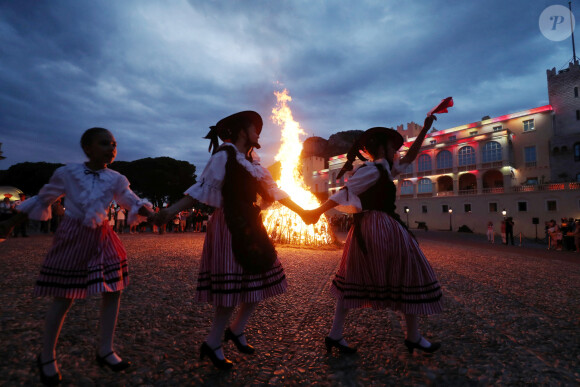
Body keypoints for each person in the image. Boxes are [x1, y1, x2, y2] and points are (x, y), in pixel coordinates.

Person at [155, 111, 309, 370]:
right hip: (229, 223)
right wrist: (169, 212)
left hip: (250, 222)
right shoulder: (223, 156)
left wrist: (304, 211)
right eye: (254, 128)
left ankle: (236, 329)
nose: (259, 133)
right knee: (231, 290)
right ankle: (213, 341)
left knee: (261, 279)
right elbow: (201, 189)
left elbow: (273, 190)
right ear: (241, 131)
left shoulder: (252, 161)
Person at [0, 127, 154, 385]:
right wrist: (12, 222)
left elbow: (130, 200)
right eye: (105, 143)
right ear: (87, 148)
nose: (111, 148)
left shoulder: (116, 178)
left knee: (114, 288)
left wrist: (156, 216)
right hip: (73, 234)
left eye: (114, 144)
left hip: (103, 235)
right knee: (64, 296)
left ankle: (105, 349)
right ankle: (47, 355)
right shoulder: (67, 173)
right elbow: (45, 197)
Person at [304, 104, 450, 356]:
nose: (397, 151)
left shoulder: (383, 168)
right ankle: (342, 334)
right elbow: (346, 192)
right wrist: (316, 212)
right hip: (376, 227)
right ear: (382, 148)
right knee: (400, 273)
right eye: (393, 146)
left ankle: (404, 335)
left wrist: (424, 130)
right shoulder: (371, 170)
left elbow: (410, 157)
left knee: (379, 276)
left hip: (384, 226)